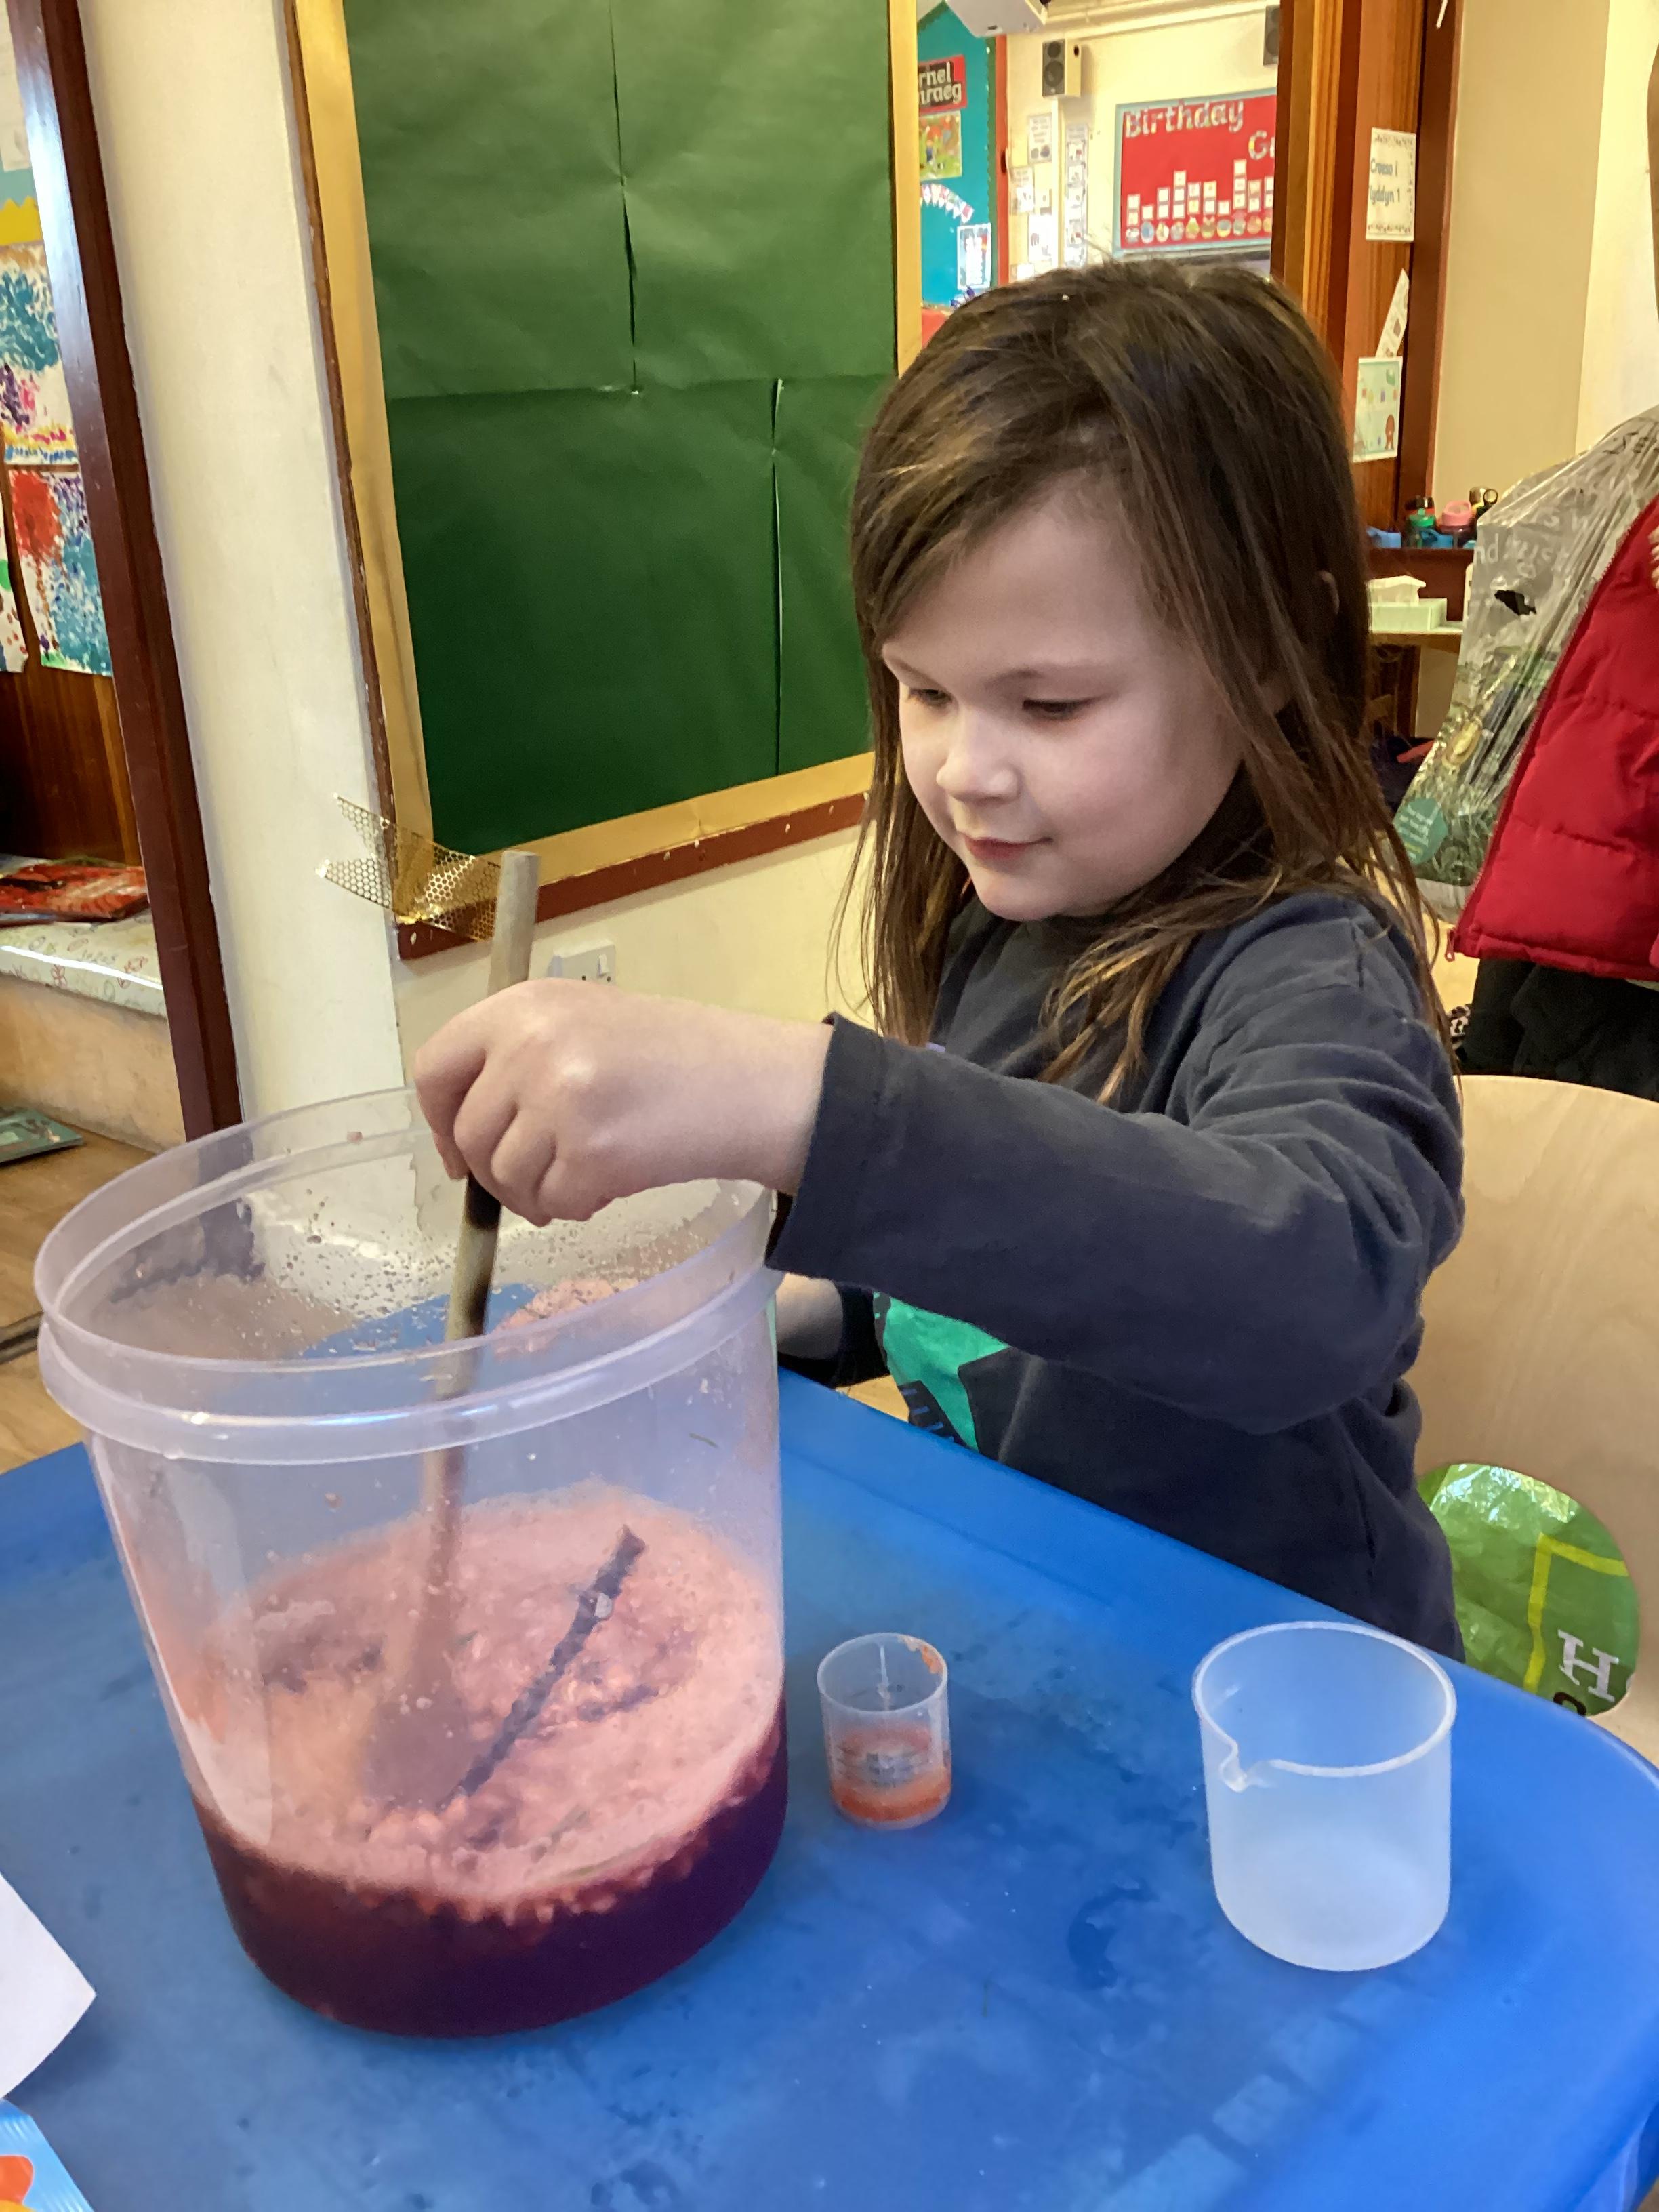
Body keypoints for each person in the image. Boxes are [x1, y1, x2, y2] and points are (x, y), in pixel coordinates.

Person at [415, 262, 1464, 1656]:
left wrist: (801, 1101)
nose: (966, 771)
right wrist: (789, 1312)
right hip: (1040, 1613)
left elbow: (1312, 1291)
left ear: (1269, 650)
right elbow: (984, 1253)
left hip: (1275, 1686)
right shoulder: (999, 925)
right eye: (922, 690)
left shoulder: (1315, 973)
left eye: (1051, 703)